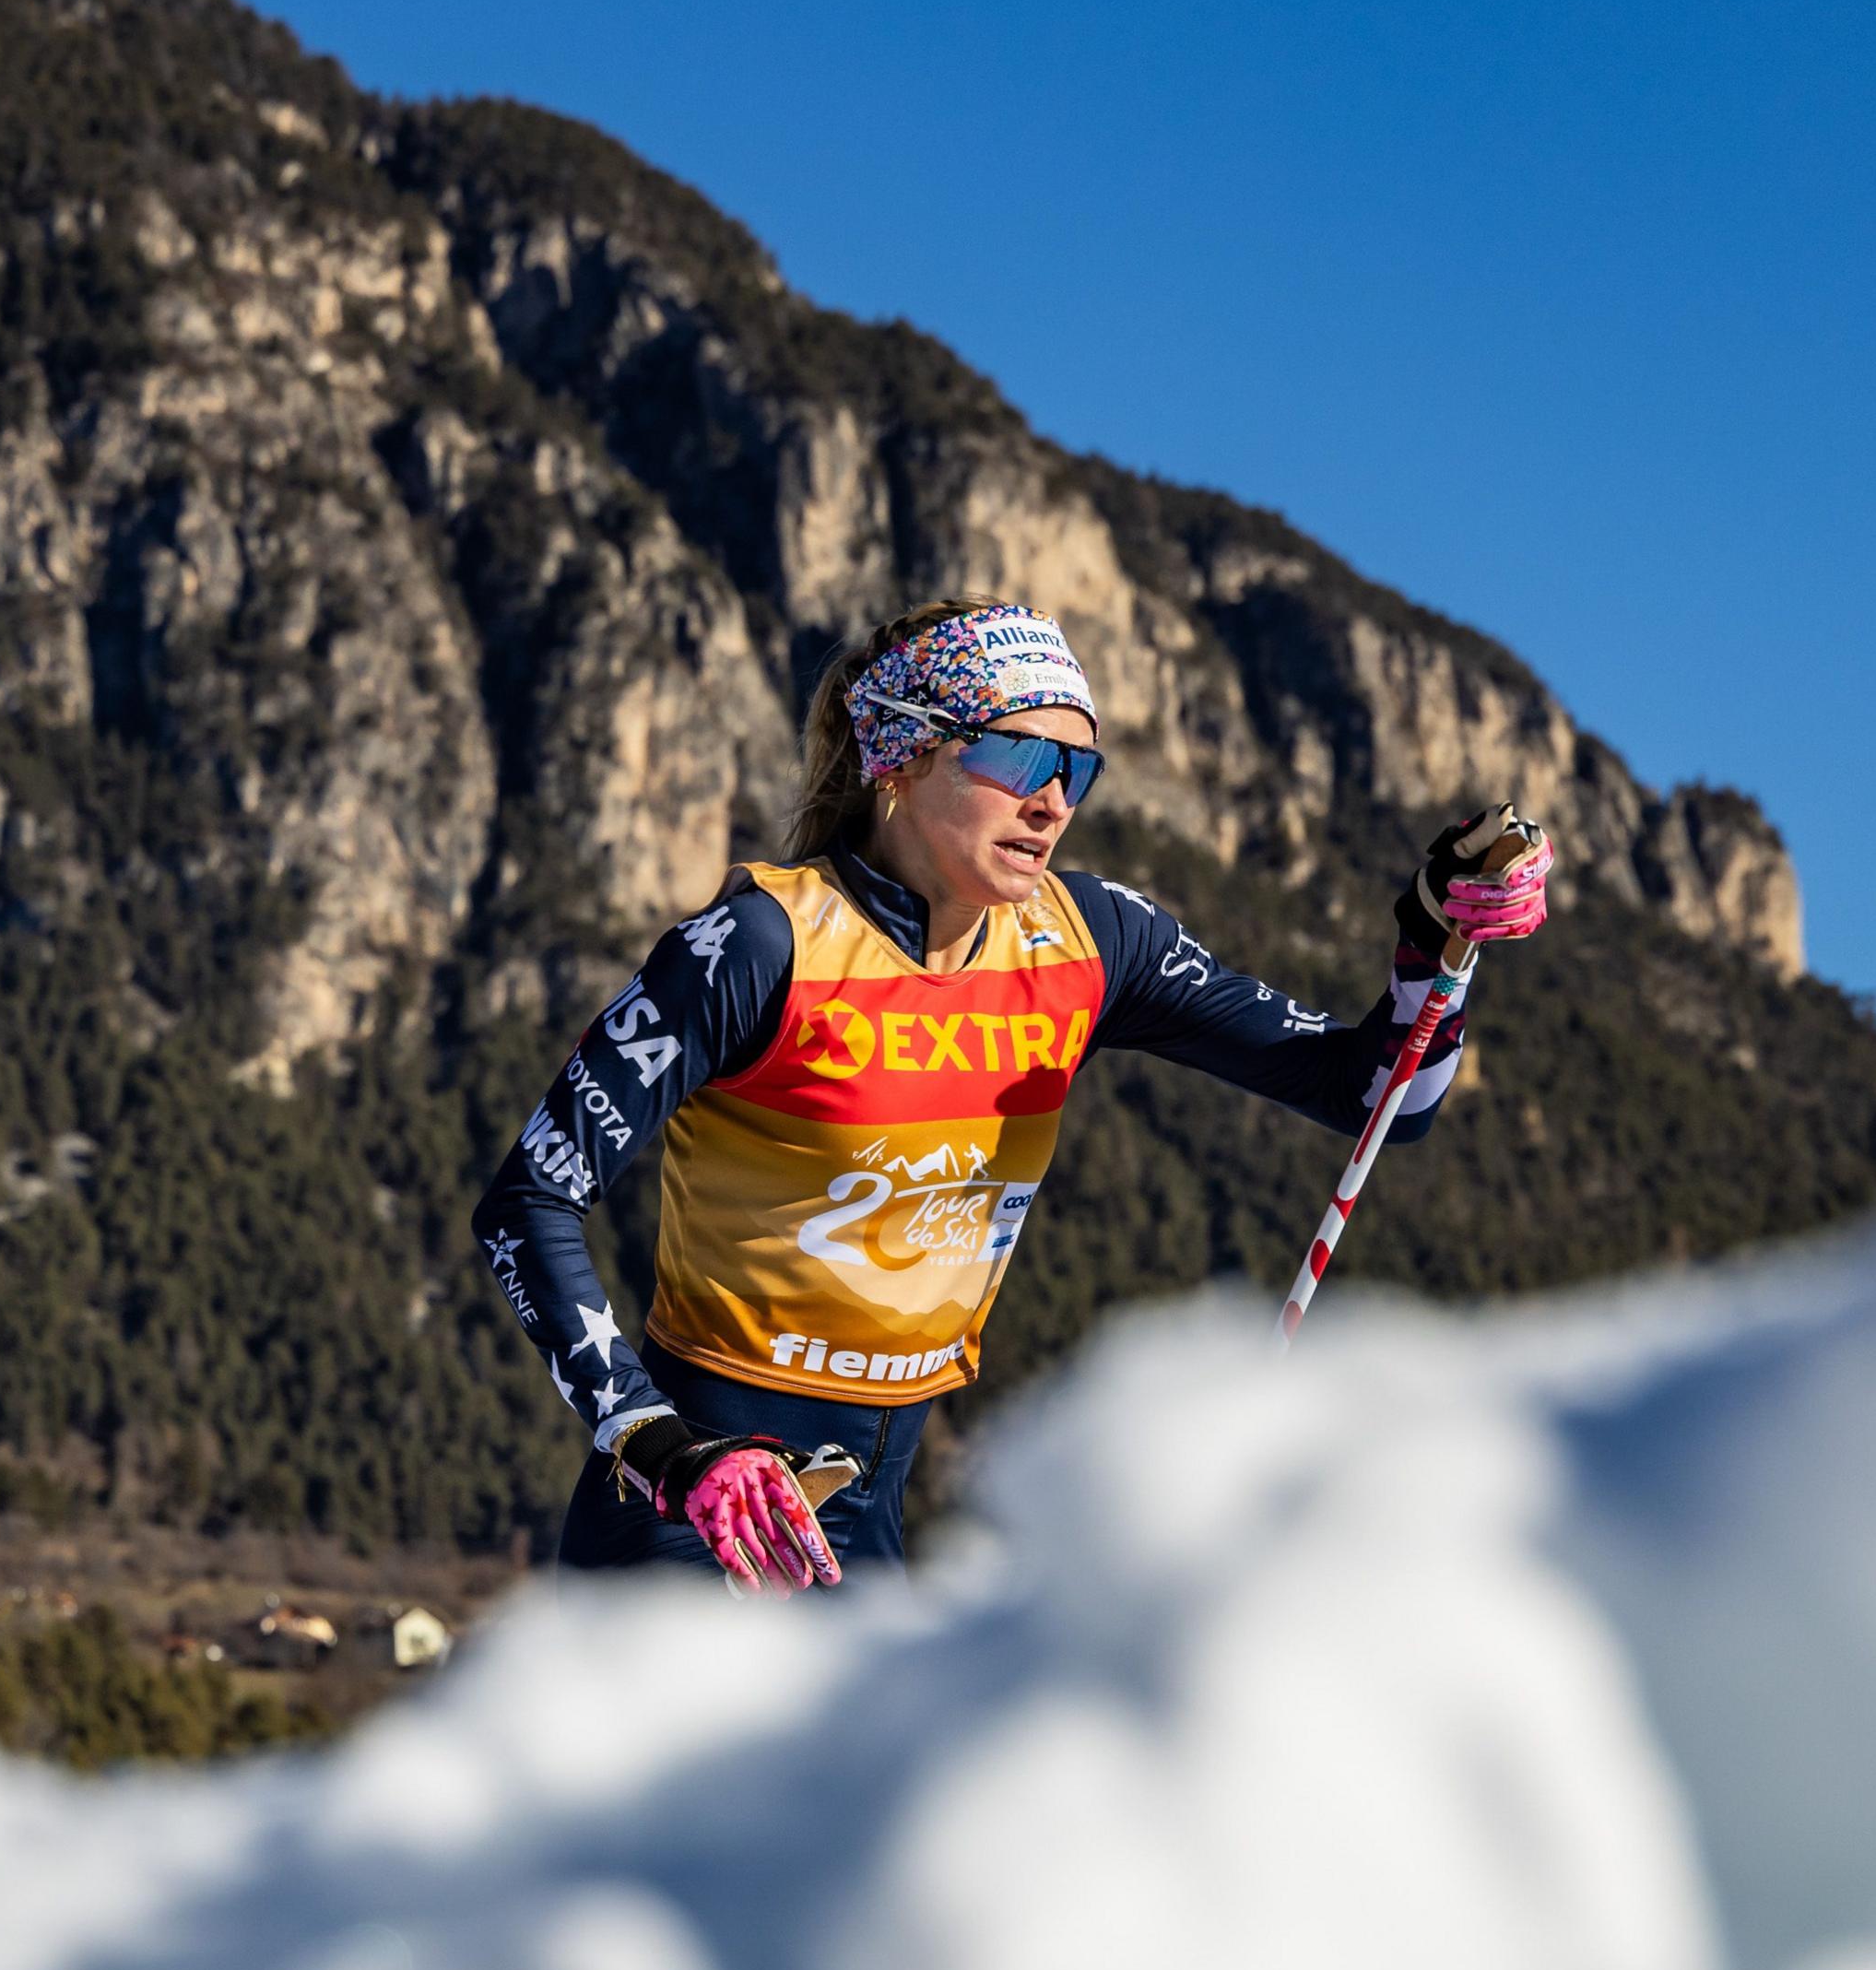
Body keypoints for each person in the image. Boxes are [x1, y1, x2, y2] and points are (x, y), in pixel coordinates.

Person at [469, 598, 1552, 1594]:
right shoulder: (761, 944)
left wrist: (1430, 936)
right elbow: (527, 1201)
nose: (1051, 803)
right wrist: (661, 1446)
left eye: (1077, 773)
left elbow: (1381, 1101)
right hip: (697, 1510)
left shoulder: (1095, 941)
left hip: (872, 1514)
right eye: (1020, 756)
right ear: (902, 754)